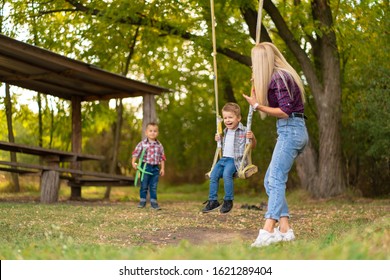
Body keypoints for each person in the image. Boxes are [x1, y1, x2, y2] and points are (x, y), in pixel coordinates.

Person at [243, 42, 308, 247]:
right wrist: (257, 93)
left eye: (255, 61)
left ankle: (268, 229)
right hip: (290, 130)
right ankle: (285, 228)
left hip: (291, 129)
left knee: (275, 179)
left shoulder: (280, 77)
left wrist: (257, 105)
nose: (253, 65)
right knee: (270, 181)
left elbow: (285, 111)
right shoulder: (278, 77)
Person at [203, 102, 256, 214]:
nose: (227, 120)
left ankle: (228, 200)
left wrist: (252, 138)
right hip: (223, 159)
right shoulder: (225, 131)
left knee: (227, 174)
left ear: (238, 118)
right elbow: (222, 146)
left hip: (235, 161)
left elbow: (253, 146)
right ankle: (213, 201)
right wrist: (218, 139)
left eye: (230, 117)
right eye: (225, 118)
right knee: (213, 175)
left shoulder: (245, 131)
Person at [132, 122, 166, 210]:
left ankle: (154, 203)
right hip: (145, 167)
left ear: (157, 133)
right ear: (146, 132)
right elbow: (136, 153)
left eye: (155, 131)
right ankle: (142, 201)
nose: (152, 133)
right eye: (150, 131)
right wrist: (133, 162)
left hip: (155, 168)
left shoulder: (159, 145)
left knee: (153, 186)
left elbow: (162, 157)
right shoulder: (142, 144)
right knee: (144, 185)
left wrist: (162, 168)